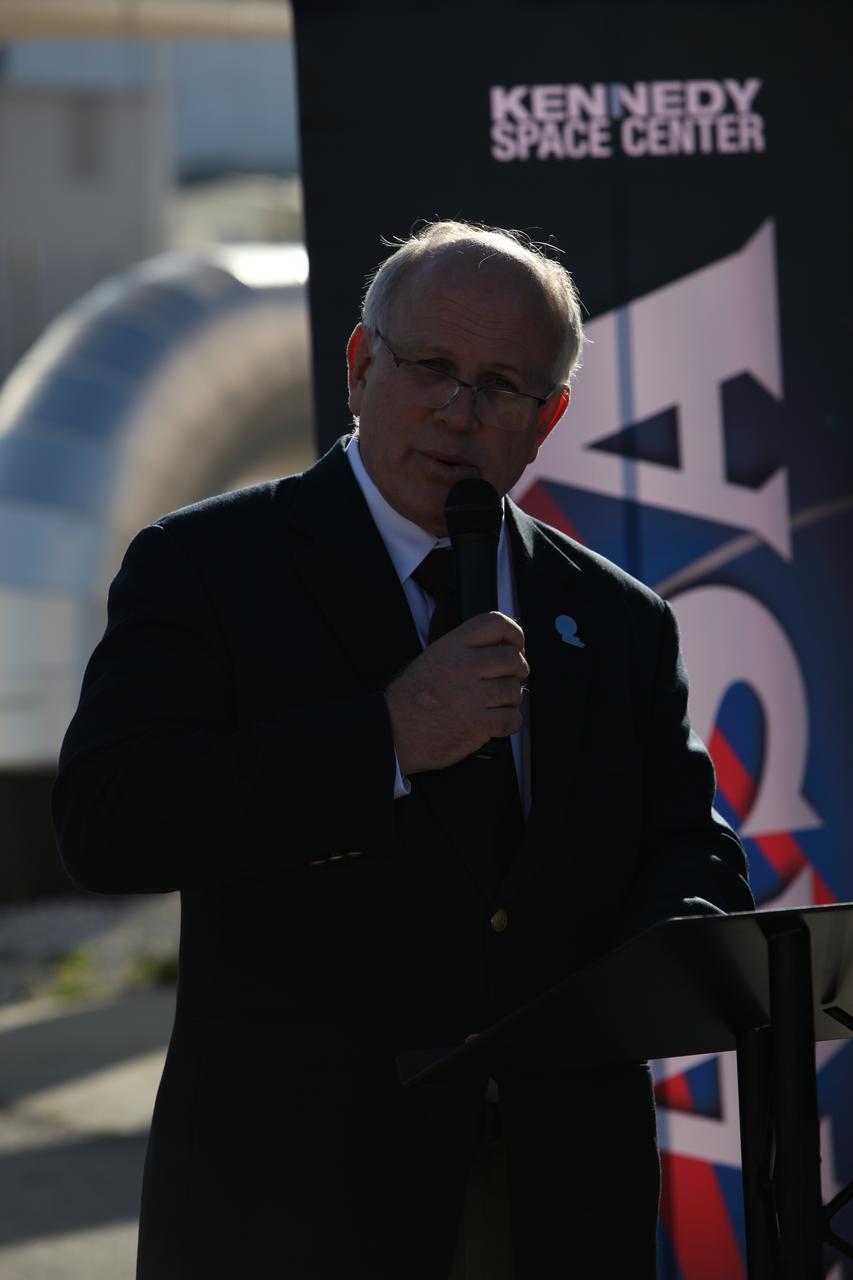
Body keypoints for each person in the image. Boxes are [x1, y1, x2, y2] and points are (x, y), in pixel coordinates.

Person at [52, 220, 753, 1279]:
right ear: (358, 364)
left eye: (502, 383)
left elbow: (682, 845)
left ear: (547, 417)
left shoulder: (615, 619)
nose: (458, 409)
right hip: (296, 1200)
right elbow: (112, 819)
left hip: (555, 1199)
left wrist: (675, 944)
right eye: (429, 366)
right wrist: (383, 736)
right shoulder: (208, 563)